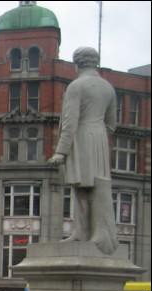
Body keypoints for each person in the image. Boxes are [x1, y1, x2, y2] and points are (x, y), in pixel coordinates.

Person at [48, 46, 118, 256]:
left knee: (80, 187)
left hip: (81, 137)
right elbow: (111, 124)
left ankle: (82, 231)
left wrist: (61, 151)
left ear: (76, 63)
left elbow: (70, 121)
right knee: (96, 186)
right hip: (99, 139)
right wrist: (98, 134)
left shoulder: (76, 86)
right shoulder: (108, 88)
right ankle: (89, 231)